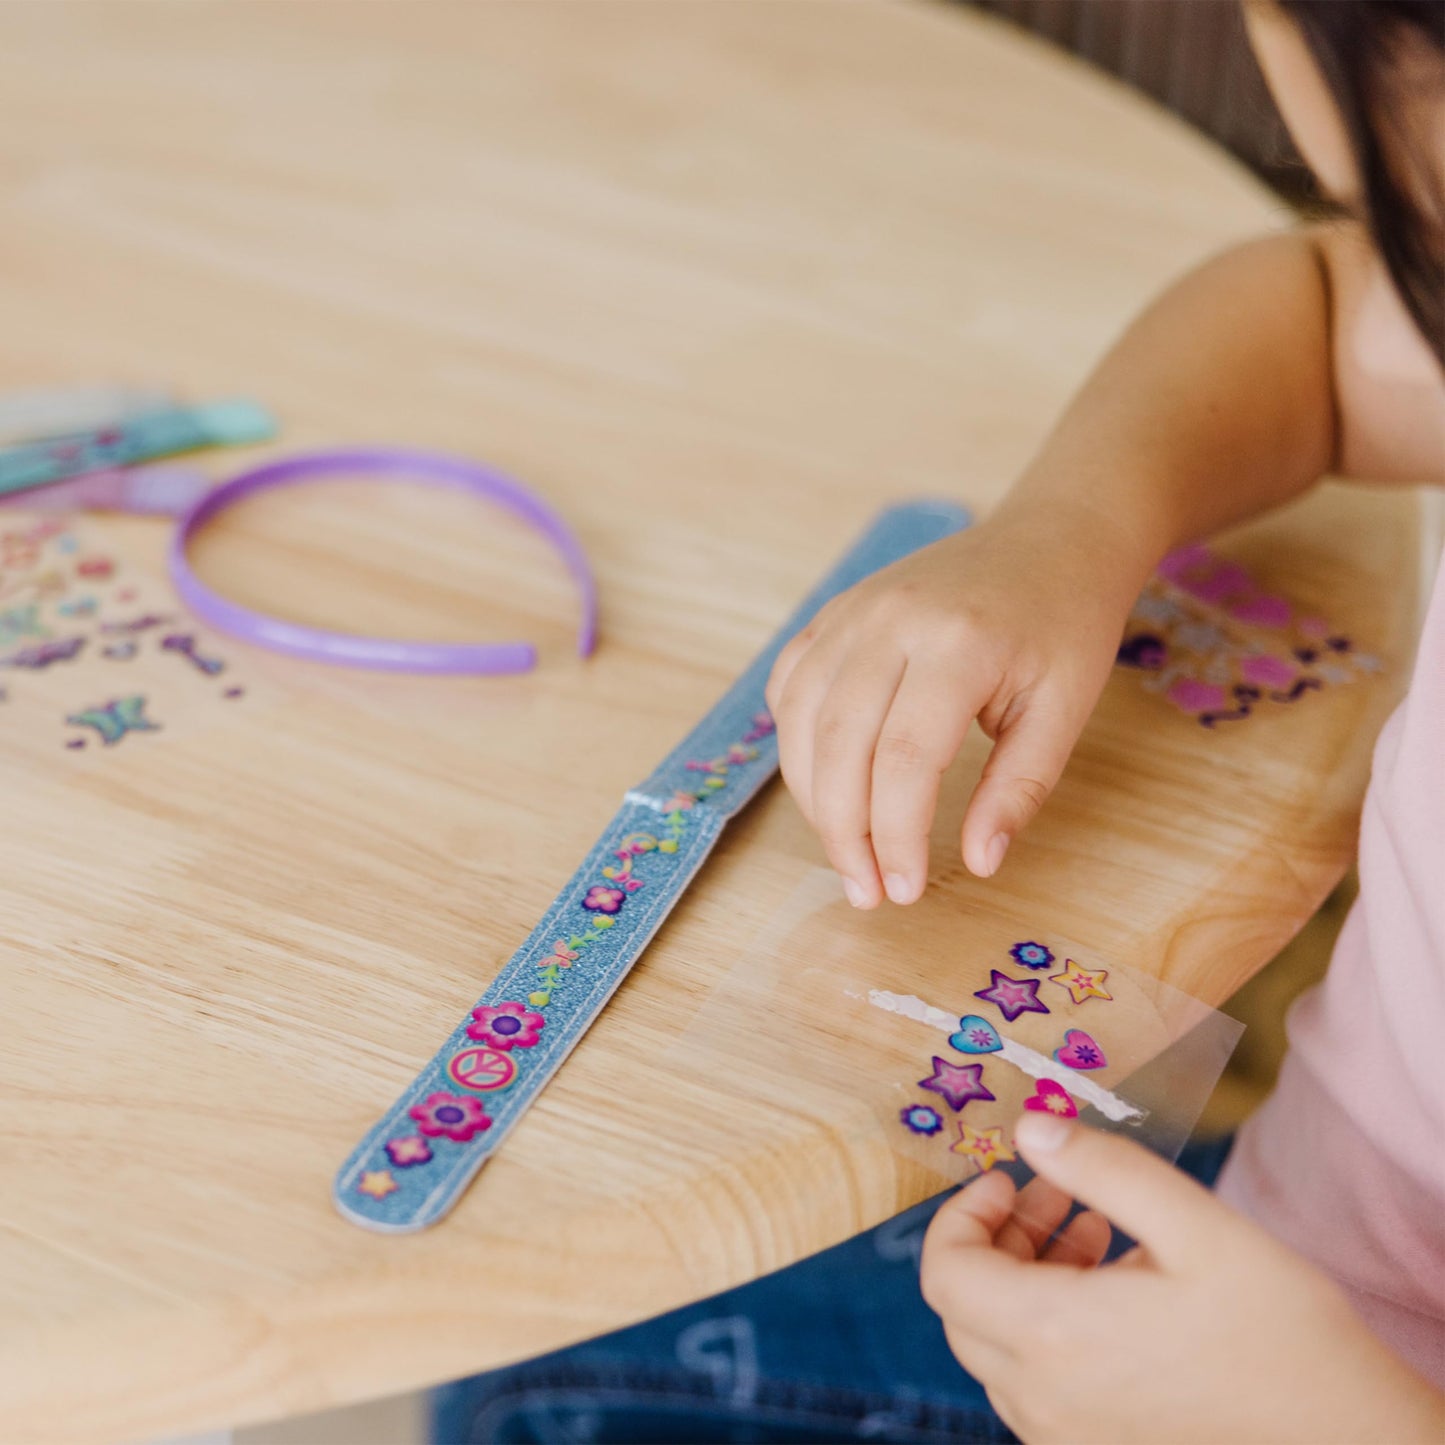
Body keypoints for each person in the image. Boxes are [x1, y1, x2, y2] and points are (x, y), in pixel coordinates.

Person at [434, 4, 1445, 1438]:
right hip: (1265, 1267)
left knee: (530, 1397)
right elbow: (1325, 319)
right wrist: (1070, 527)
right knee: (541, 1332)